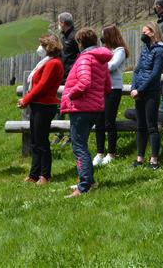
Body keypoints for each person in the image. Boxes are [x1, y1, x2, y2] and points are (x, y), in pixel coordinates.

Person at [61, 28, 112, 198]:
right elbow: (107, 87)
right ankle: (89, 181)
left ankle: (83, 186)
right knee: (82, 145)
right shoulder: (101, 60)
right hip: (95, 108)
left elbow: (84, 82)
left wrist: (70, 94)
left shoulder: (85, 58)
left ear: (80, 43)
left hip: (81, 108)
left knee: (79, 146)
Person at [18, 35, 64, 185]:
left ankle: (45, 175)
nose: (40, 48)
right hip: (38, 105)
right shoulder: (46, 62)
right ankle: (34, 174)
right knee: (36, 141)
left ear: (49, 47)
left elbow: (42, 86)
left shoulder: (53, 64)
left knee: (42, 141)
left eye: (42, 45)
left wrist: (26, 99)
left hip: (45, 106)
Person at [130, 22, 163, 170]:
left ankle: (154, 160)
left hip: (151, 92)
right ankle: (140, 158)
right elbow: (137, 69)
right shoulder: (144, 48)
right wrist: (134, 87)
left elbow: (155, 74)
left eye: (145, 32)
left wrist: (141, 90)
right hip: (138, 91)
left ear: (153, 33)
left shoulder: (159, 50)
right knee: (141, 126)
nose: (143, 35)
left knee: (152, 126)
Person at [93, 25, 129, 166]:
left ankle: (111, 152)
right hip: (101, 89)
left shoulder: (120, 51)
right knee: (99, 121)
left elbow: (112, 66)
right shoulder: (105, 51)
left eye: (103, 35)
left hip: (113, 89)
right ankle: (100, 152)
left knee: (109, 121)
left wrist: (96, 65)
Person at [54, 12, 80, 146]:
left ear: (63, 23)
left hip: (71, 76)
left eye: (59, 22)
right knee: (59, 104)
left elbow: (79, 55)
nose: (58, 25)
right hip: (61, 75)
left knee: (70, 104)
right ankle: (59, 132)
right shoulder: (62, 36)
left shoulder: (75, 36)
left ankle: (71, 134)